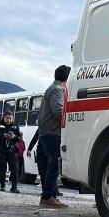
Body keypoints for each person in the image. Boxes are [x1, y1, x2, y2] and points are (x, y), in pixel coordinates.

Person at [36, 65, 71, 208]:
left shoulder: (51, 88)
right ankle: (47, 196)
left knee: (48, 165)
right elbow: (58, 110)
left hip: (45, 132)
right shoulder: (58, 90)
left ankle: (50, 195)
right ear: (67, 78)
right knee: (54, 164)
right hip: (52, 132)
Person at [0, 111, 22, 193]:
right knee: (2, 169)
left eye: (10, 118)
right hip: (1, 150)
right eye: (7, 118)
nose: (8, 120)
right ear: (3, 118)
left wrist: (14, 137)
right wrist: (3, 136)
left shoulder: (15, 126)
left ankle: (14, 187)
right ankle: (2, 186)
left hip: (12, 151)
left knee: (15, 169)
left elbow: (20, 139)